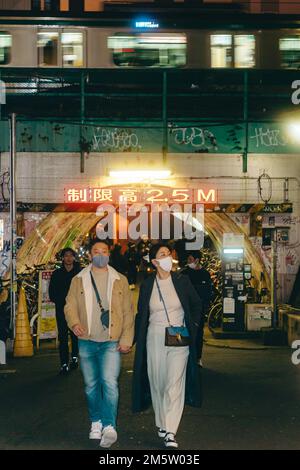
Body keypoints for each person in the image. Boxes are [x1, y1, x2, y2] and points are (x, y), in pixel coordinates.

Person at [64, 239, 134, 449]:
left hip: (111, 341)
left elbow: (128, 312)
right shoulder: (79, 279)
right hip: (86, 340)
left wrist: (126, 339)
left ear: (109, 255)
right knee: (91, 386)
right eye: (96, 251)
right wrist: (74, 323)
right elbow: (70, 305)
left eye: (104, 251)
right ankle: (96, 421)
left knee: (110, 383)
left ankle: (109, 426)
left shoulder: (120, 280)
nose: (100, 254)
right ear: (89, 255)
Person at [132, 243, 203, 449]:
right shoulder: (147, 285)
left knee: (174, 382)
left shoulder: (182, 281)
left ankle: (170, 431)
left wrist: (194, 327)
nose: (166, 257)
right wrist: (131, 338)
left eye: (168, 254)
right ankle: (161, 422)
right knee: (158, 381)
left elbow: (197, 305)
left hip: (179, 335)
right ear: (154, 262)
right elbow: (141, 315)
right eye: (161, 255)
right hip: (154, 335)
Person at [49, 248, 82, 375]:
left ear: (74, 257)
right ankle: (63, 363)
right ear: (62, 258)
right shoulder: (57, 274)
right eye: (66, 256)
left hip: (77, 309)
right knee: (62, 337)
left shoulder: (79, 273)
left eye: (71, 256)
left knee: (75, 335)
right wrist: (60, 301)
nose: (68, 258)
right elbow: (52, 293)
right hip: (61, 309)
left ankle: (74, 357)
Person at [182, 251, 214, 366]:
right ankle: (184, 357)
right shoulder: (184, 273)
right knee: (184, 332)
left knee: (198, 333)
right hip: (185, 308)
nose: (189, 262)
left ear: (197, 260)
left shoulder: (205, 274)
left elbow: (208, 292)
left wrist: (204, 306)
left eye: (191, 260)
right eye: (188, 260)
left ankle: (197, 357)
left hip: (199, 310)